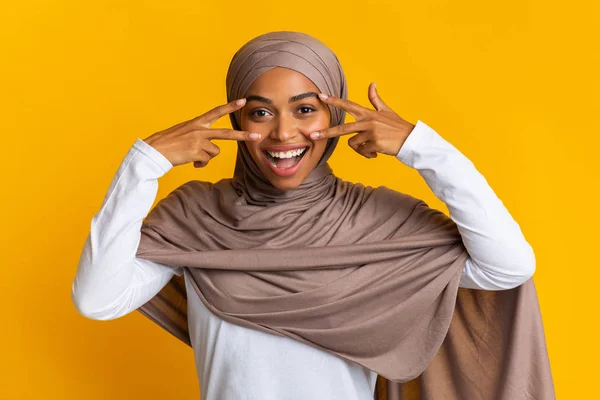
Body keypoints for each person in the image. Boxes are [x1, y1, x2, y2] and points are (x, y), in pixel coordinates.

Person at [72, 31, 548, 400]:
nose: (284, 133)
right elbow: (97, 299)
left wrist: (420, 146)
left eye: (305, 109)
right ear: (238, 122)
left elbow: (507, 267)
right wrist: (144, 163)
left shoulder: (375, 220)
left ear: (333, 119)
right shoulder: (199, 216)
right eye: (261, 113)